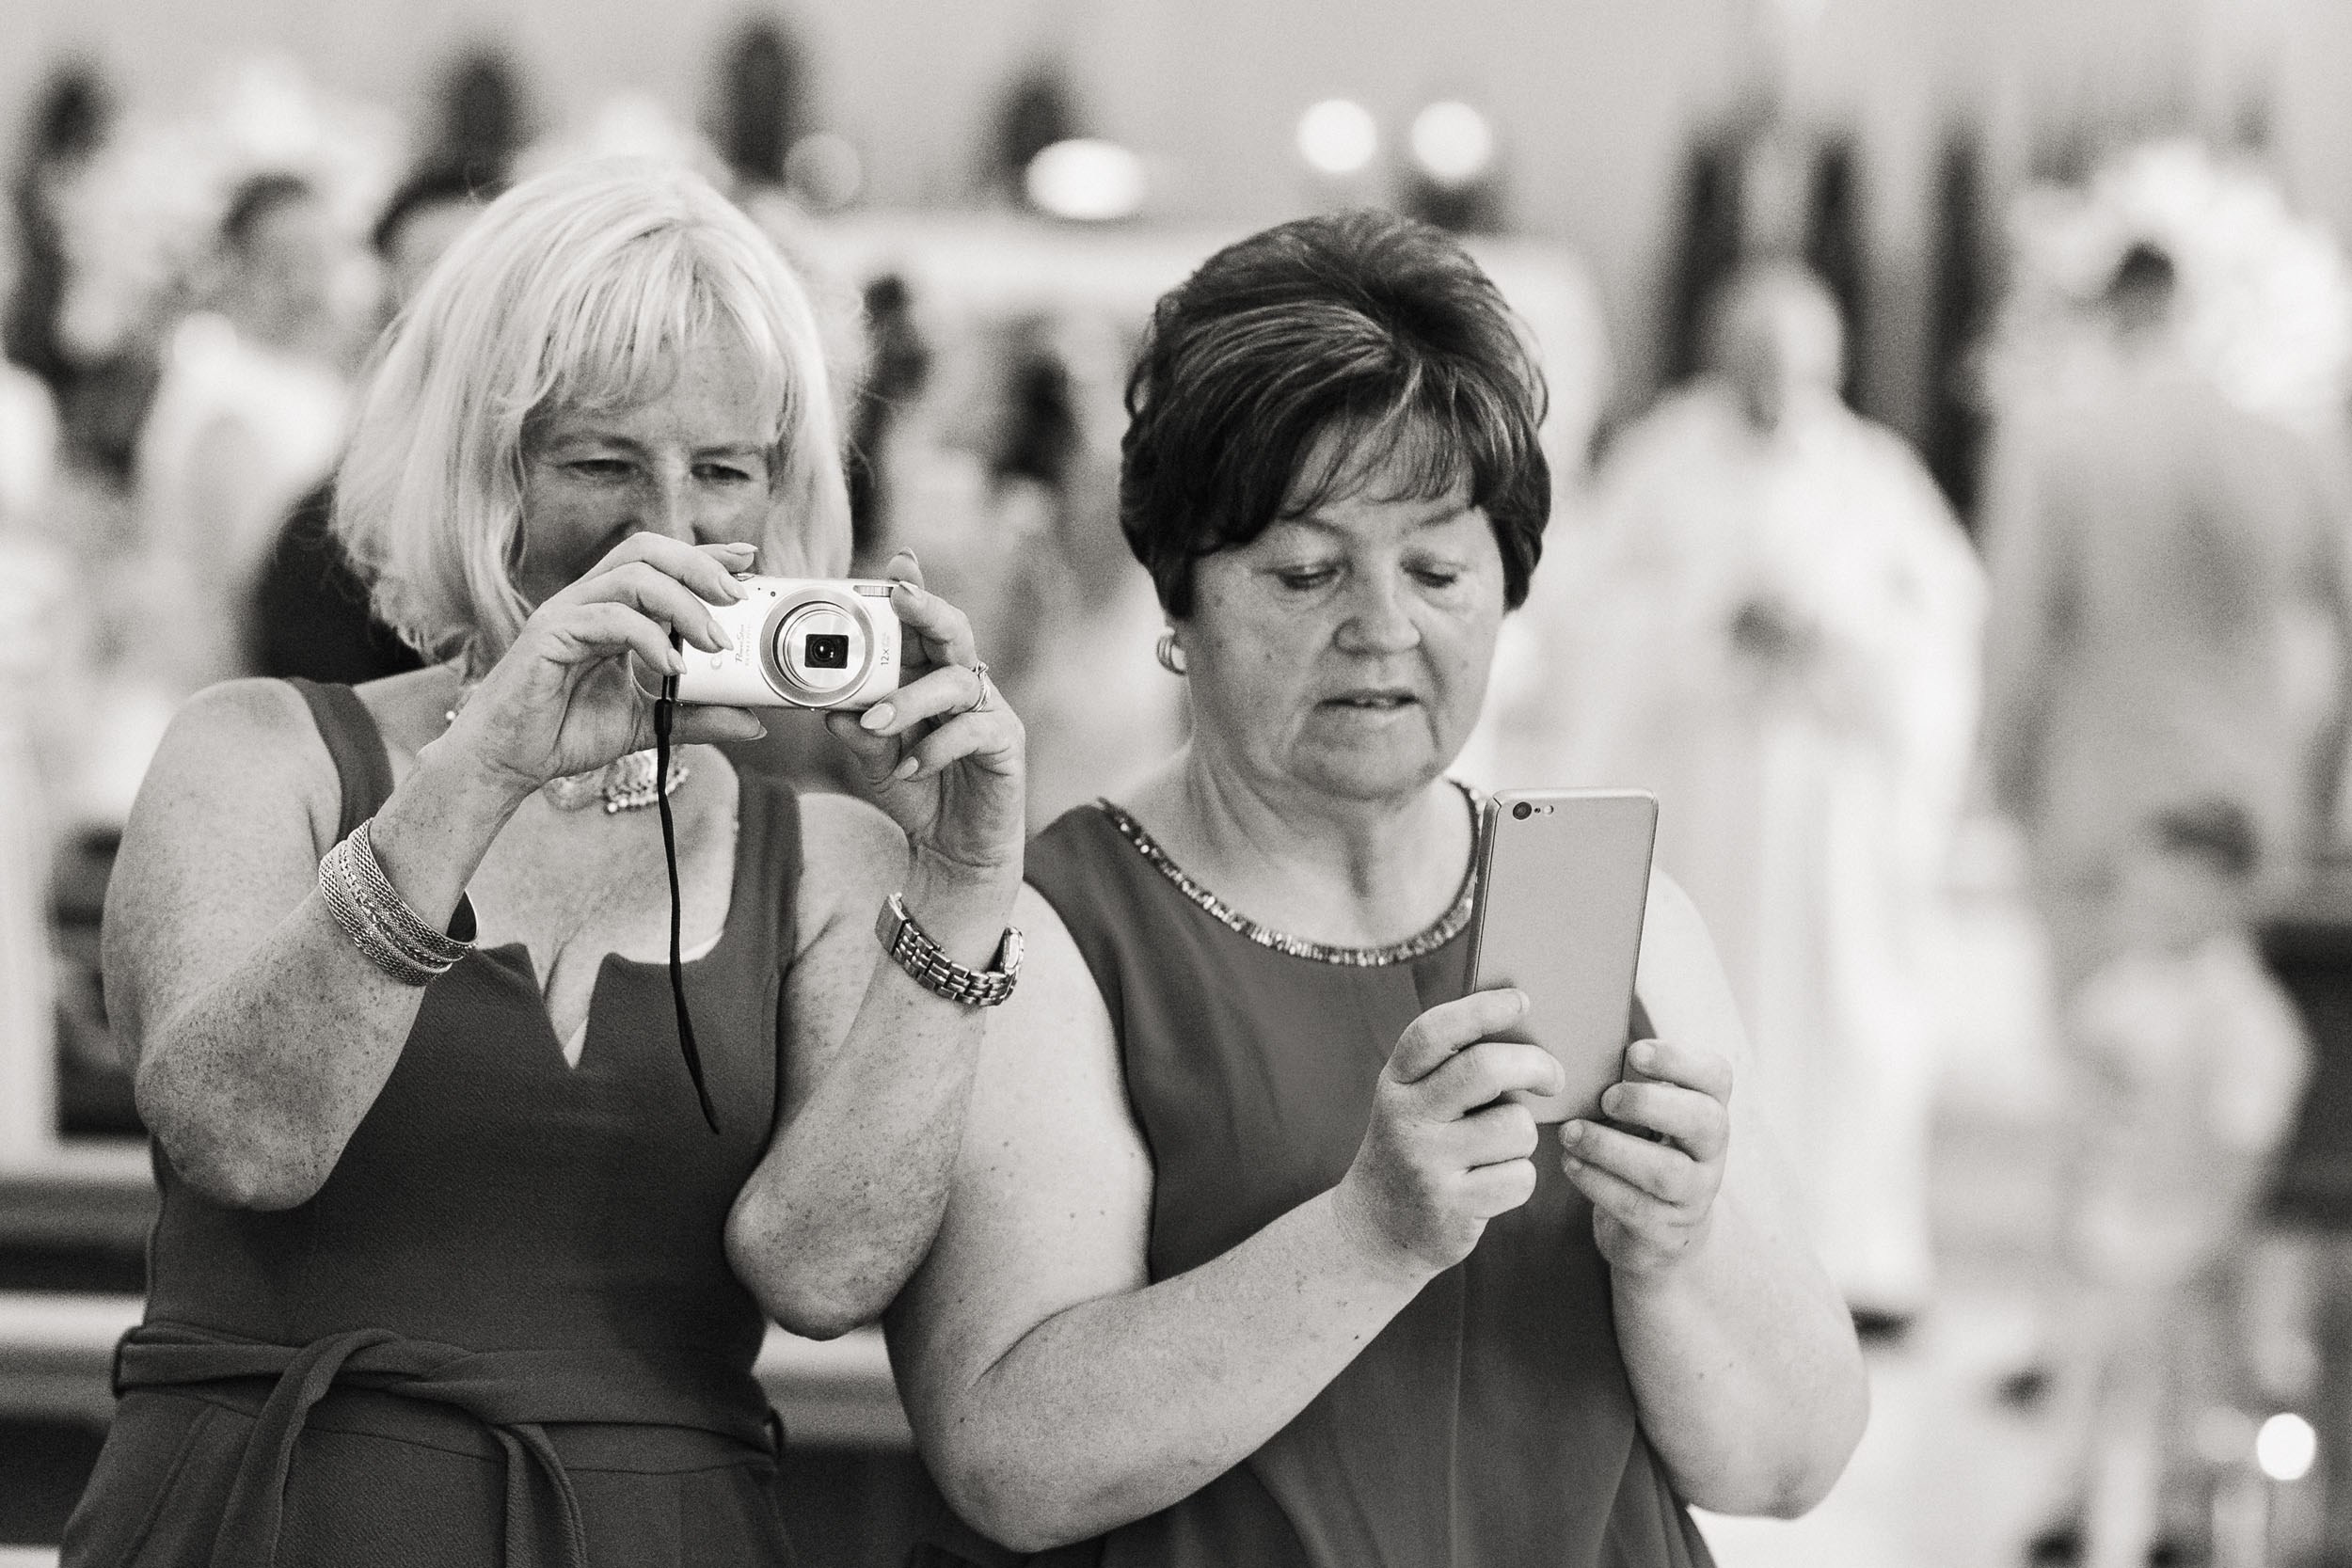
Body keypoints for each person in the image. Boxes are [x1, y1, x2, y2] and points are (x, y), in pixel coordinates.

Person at [64, 157, 1026, 1565]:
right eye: (600, 462)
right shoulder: (259, 753)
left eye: (724, 470)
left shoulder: (824, 858)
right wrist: (487, 765)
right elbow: (246, 1140)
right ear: (477, 469)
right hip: (266, 1520)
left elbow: (825, 1277)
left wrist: (969, 882)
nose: (670, 526)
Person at [887, 211, 1867, 1566]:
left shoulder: (1605, 904)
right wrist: (1370, 1233)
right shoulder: (1056, 934)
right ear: (1179, 595)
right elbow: (1011, 1458)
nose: (1384, 626)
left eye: (1438, 568)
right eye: (1307, 570)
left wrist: (1680, 1247)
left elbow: (1793, 1460)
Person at [1497, 263, 1984, 1331]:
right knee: (1692, 1001)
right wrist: (1707, 623)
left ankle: (1850, 1249)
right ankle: (1688, 1249)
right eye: (1757, 360)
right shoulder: (1659, 466)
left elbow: (1941, 630)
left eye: (1795, 364)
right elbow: (1584, 621)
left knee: (1840, 1016)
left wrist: (1834, 631)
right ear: (1720, 356)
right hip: (1701, 793)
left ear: (1831, 364)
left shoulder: (1872, 475)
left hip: (1824, 810)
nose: (1774, 385)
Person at [2026, 803, 2309, 1565]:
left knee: (2185, 1385)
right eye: (2149, 895)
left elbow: (2248, 1136)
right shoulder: (2120, 991)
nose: (2159, 912)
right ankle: (2069, 1497)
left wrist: (2220, 1232)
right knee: (2086, 1372)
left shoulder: (2243, 1011)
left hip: (2186, 1235)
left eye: (2183, 897)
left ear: (2231, 897)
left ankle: (2179, 1514)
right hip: (2107, 1222)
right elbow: (2082, 1111)